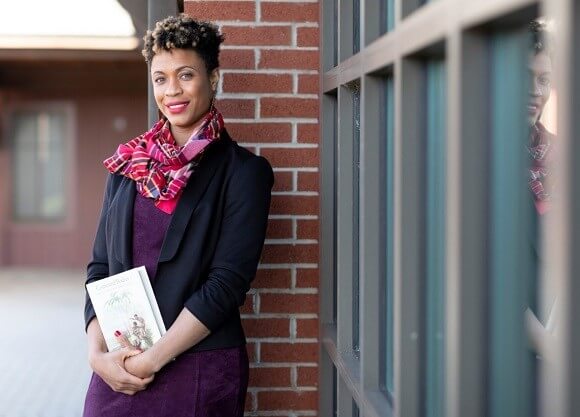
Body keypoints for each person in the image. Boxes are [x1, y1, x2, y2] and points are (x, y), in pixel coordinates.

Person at [82, 14, 274, 417]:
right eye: (160, 78)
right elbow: (100, 269)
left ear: (213, 77)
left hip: (200, 369)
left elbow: (226, 285)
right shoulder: (128, 166)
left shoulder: (243, 173)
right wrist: (97, 354)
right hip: (120, 369)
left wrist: (150, 361)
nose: (173, 91)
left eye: (185, 75)